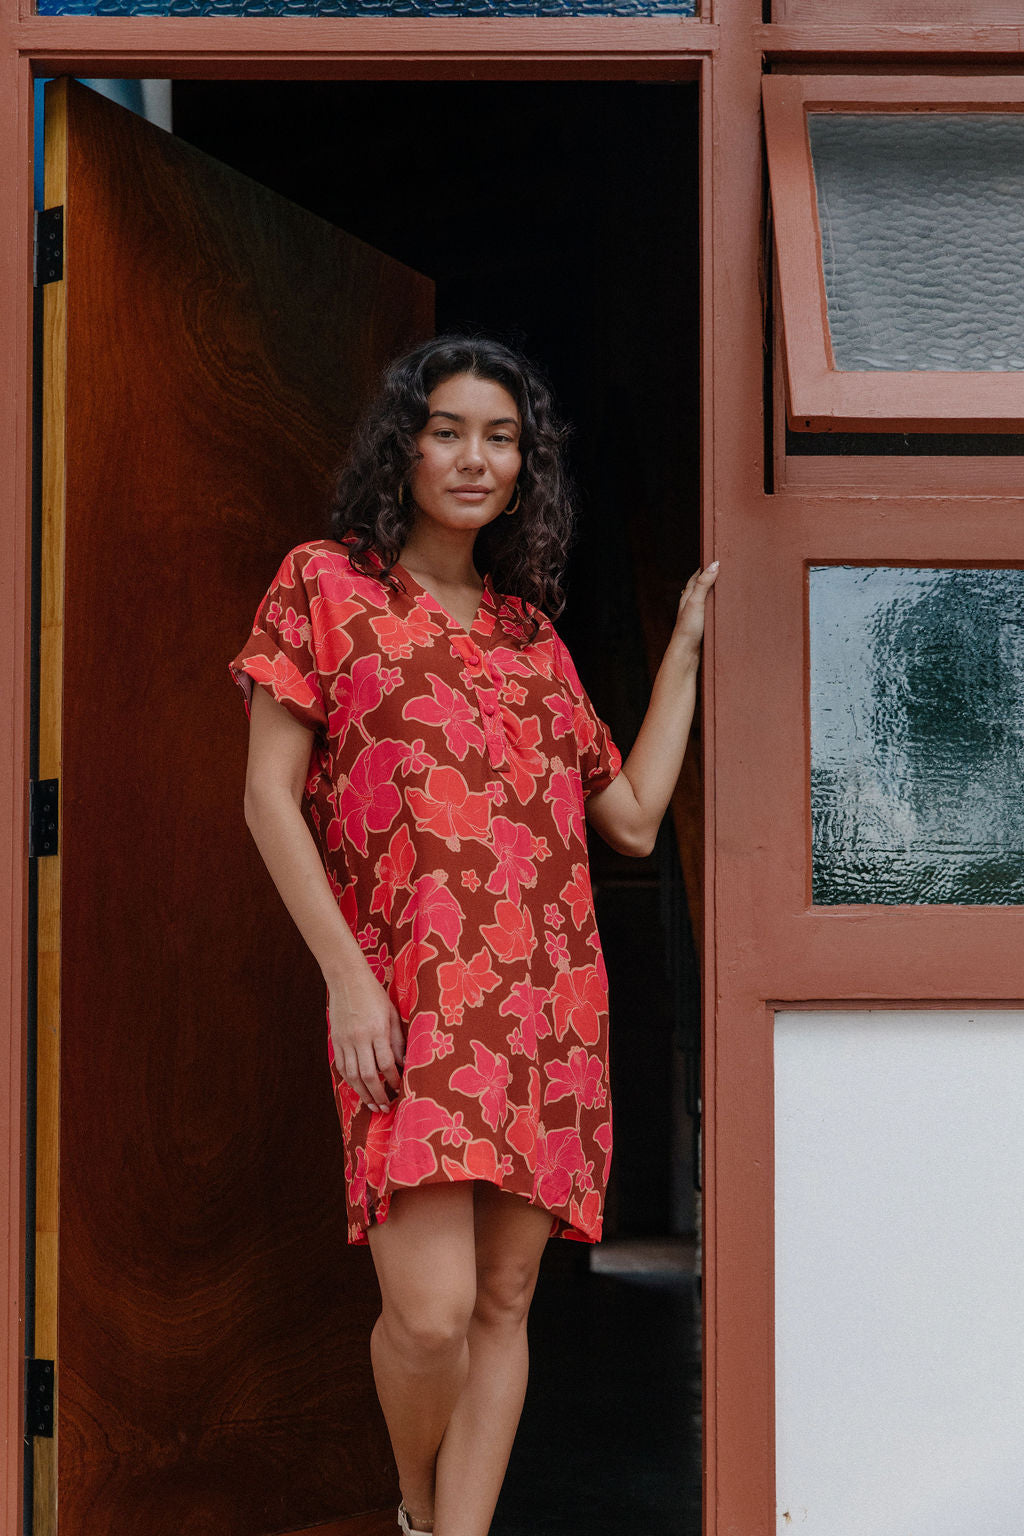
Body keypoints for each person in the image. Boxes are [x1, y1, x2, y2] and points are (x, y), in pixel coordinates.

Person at [230, 335, 717, 1536]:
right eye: (447, 428)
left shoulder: (529, 641)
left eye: (500, 438)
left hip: (547, 1004)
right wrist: (348, 983)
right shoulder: (324, 588)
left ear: (525, 468)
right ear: (402, 445)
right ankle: (412, 1507)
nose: (472, 457)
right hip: (401, 1001)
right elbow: (264, 799)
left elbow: (636, 821)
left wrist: (687, 654)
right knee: (431, 1312)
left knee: (504, 1303)